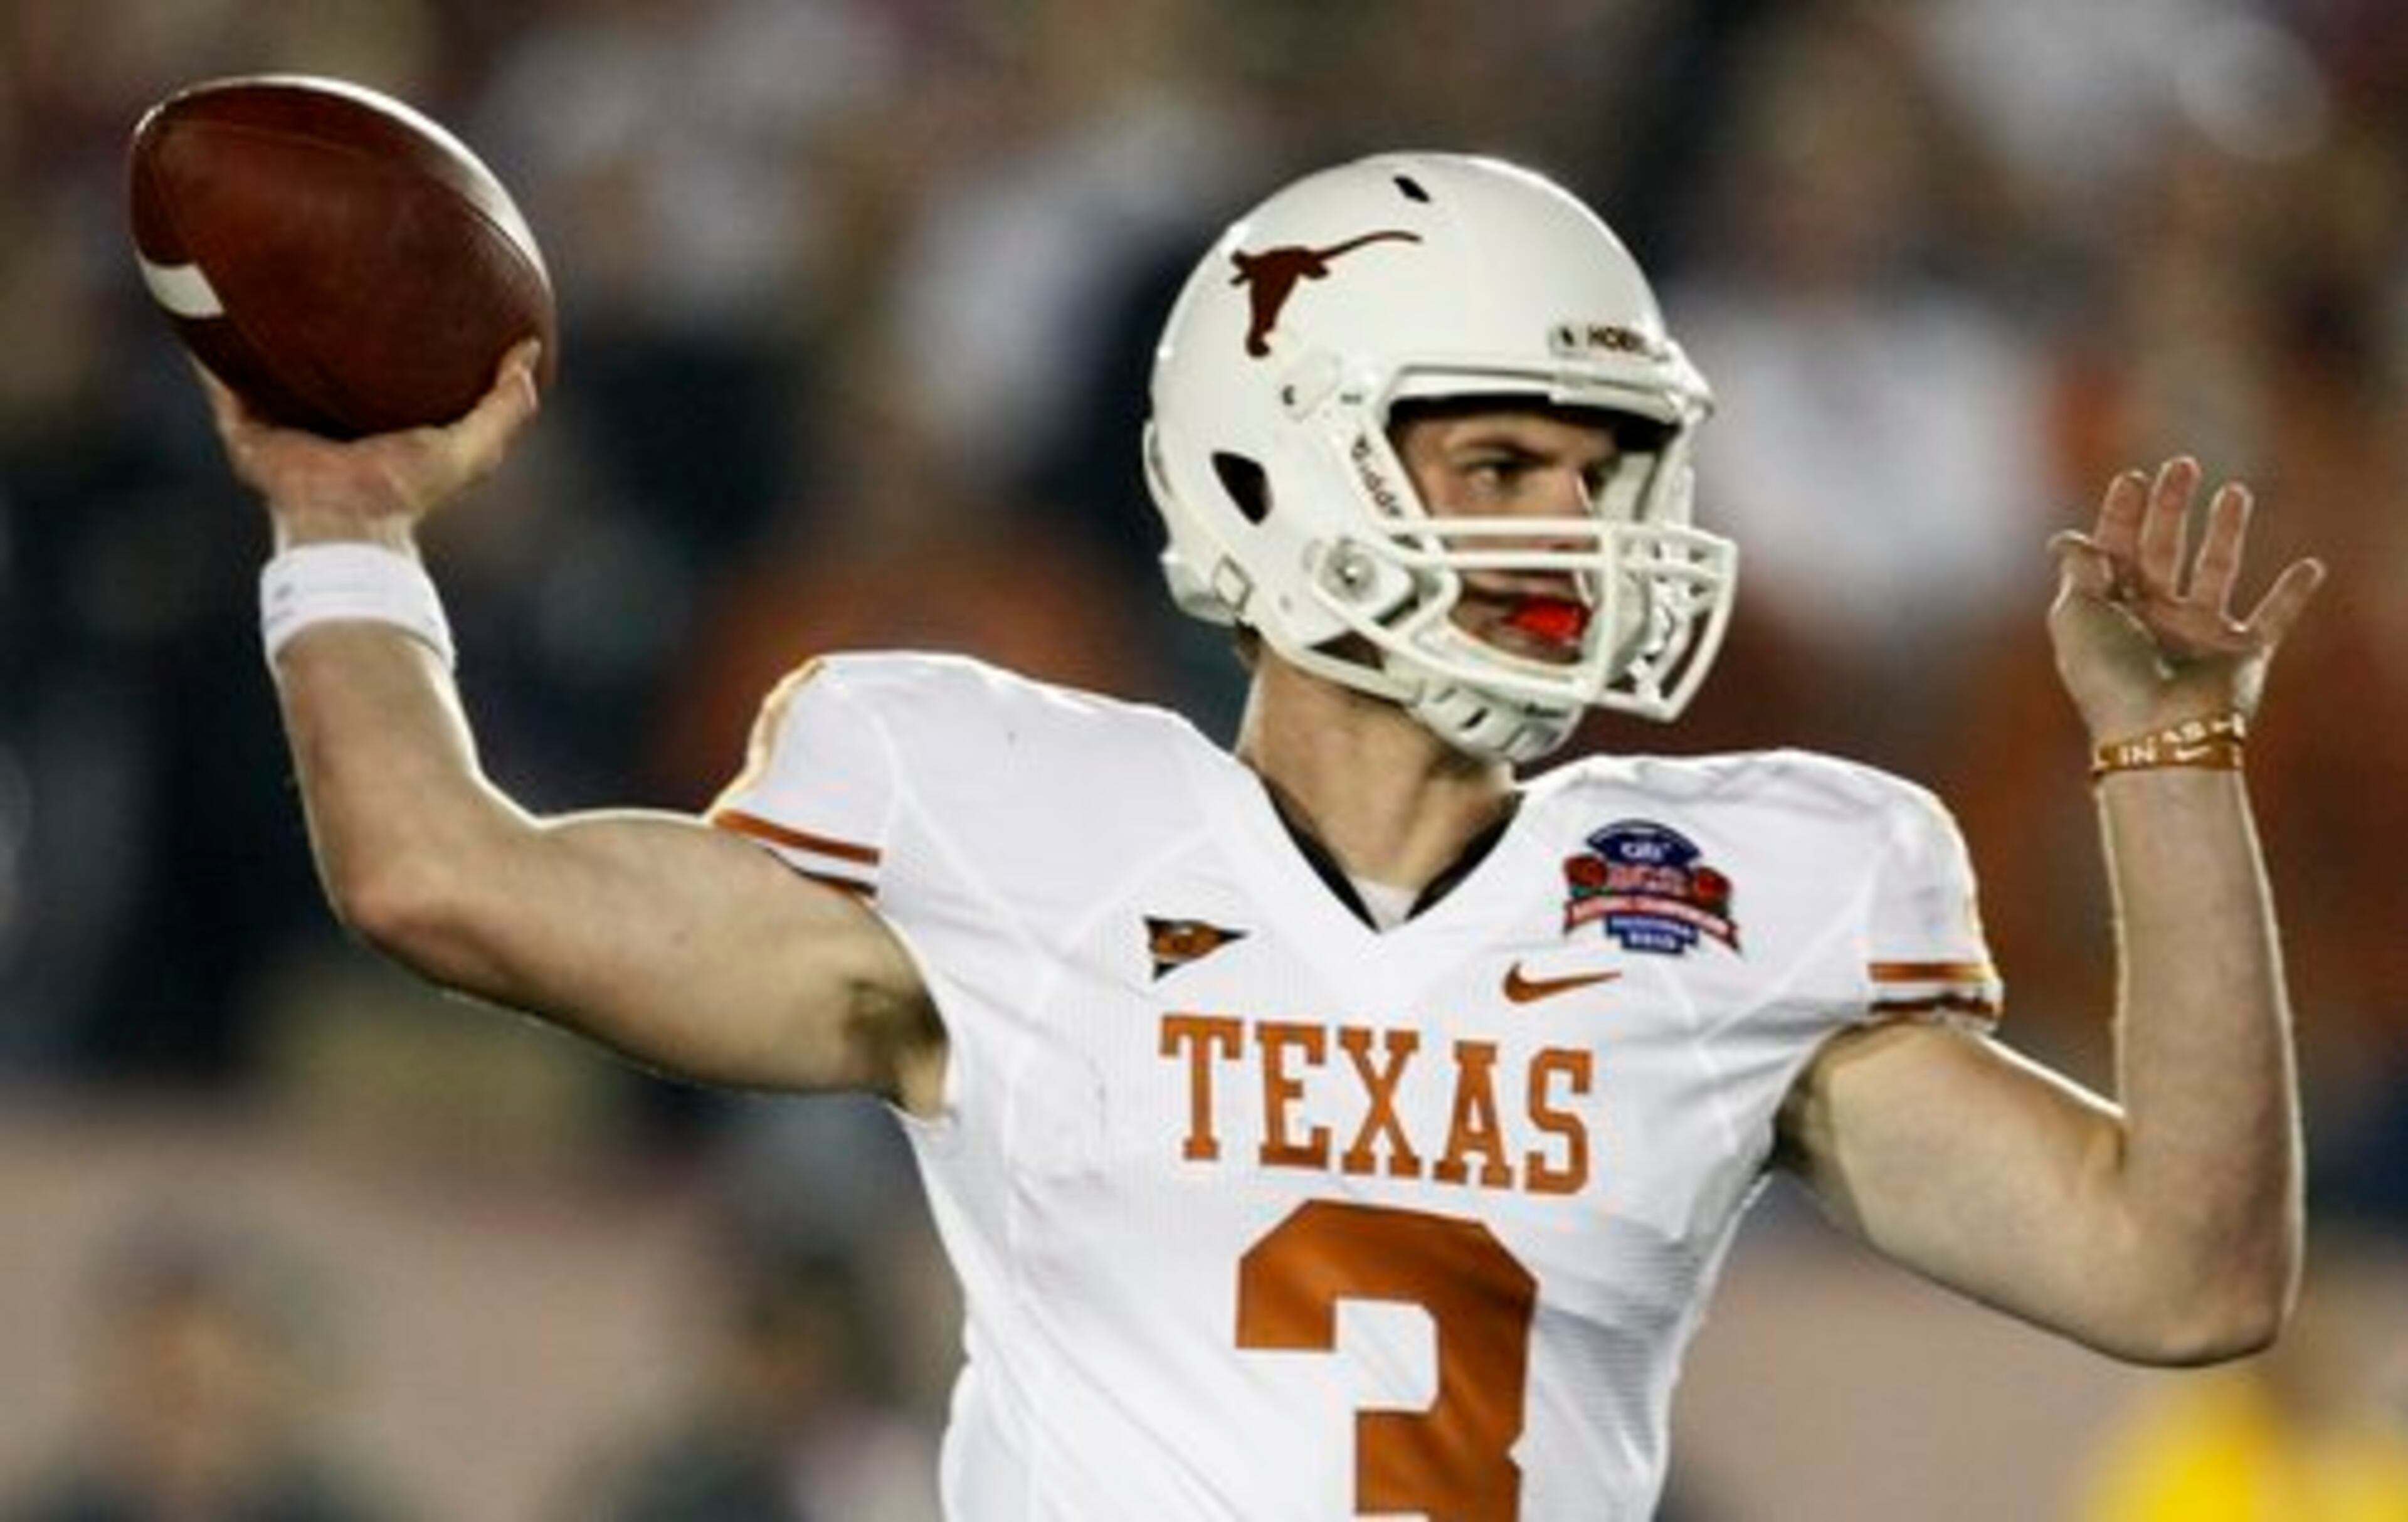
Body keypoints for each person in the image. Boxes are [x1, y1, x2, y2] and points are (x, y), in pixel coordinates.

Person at [196, 152, 2321, 1519]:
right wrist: (341, 530)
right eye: (1497, 460)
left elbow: (2184, 1270)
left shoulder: (1727, 900)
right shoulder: (1017, 828)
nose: (1566, 530)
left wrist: (2170, 765)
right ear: (1272, 465)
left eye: (1598, 472)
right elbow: (436, 875)